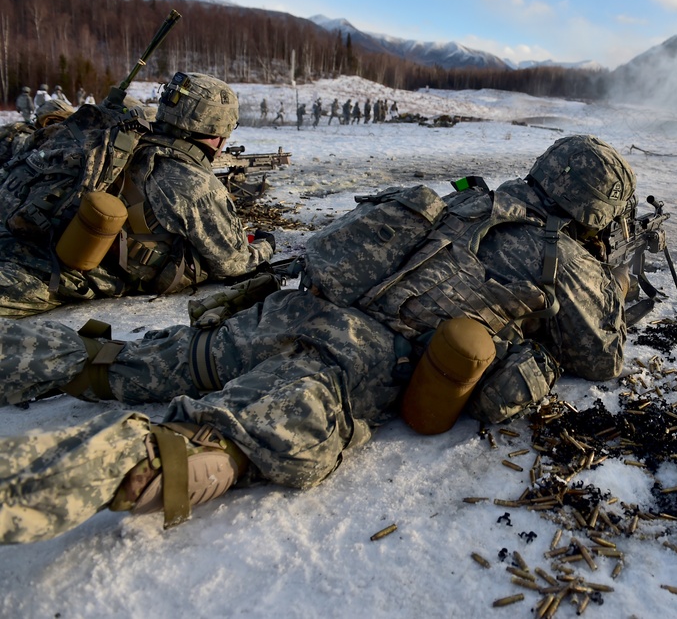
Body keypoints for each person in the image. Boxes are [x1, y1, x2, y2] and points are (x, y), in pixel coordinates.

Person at [0, 134, 636, 544]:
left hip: (288, 312)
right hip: (344, 361)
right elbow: (600, 358)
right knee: (203, 447)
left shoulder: (469, 197)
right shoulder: (568, 261)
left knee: (120, 359)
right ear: (599, 206)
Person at [0, 72, 275, 318]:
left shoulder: (124, 135)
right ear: (219, 129)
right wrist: (265, 245)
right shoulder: (194, 183)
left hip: (25, 231)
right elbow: (234, 263)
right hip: (48, 273)